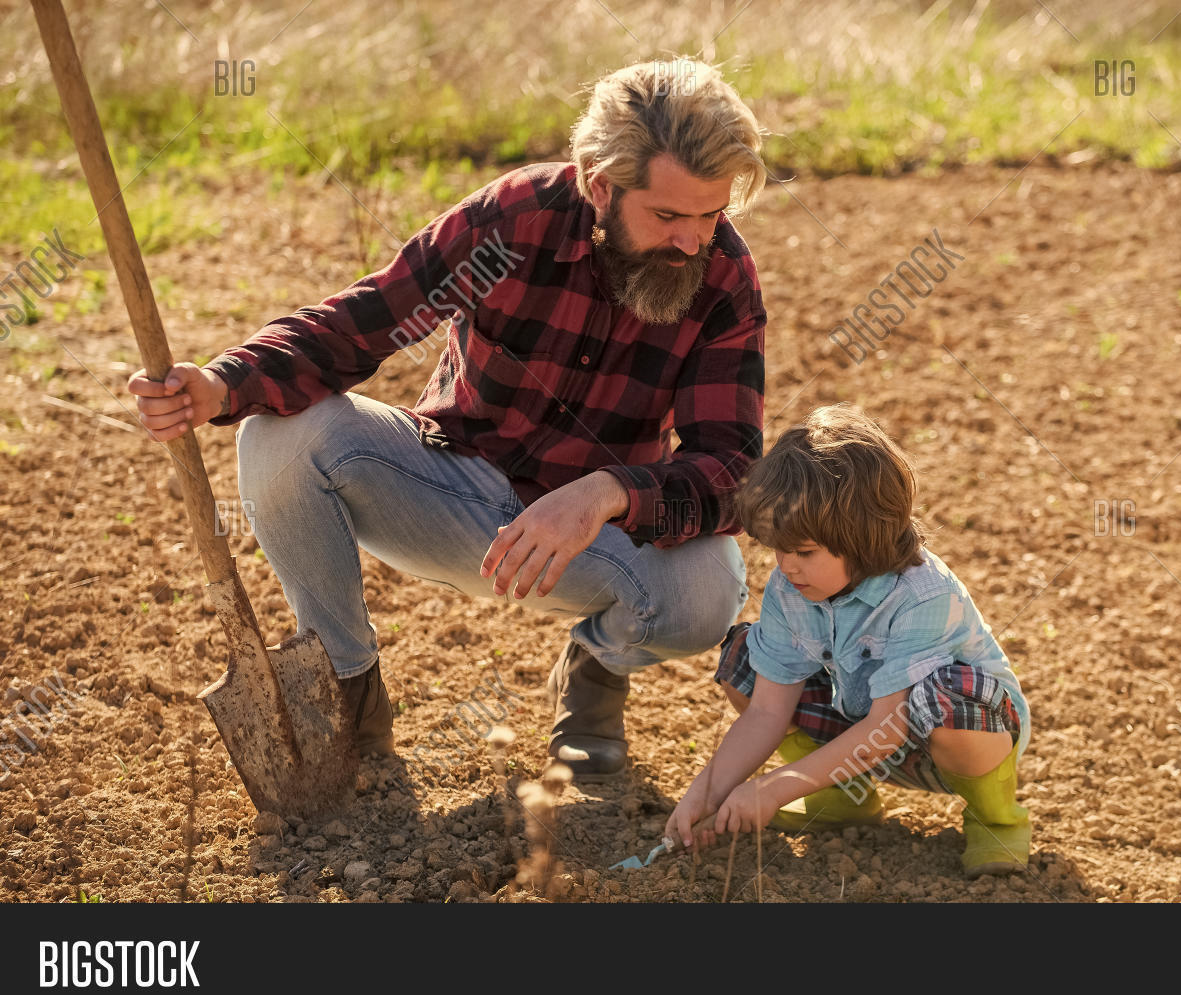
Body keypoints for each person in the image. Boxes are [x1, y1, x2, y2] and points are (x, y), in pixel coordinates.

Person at [127, 59, 768, 773]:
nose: (693, 241)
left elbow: (730, 468)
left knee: (711, 586)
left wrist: (607, 492)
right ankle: (349, 694)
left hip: (585, 541)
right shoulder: (516, 220)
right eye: (669, 215)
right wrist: (222, 382)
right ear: (599, 184)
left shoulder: (722, 278)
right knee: (281, 434)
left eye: (712, 215)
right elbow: (366, 322)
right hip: (445, 489)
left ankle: (592, 679)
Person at [664, 405, 1033, 876]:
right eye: (778, 548)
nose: (786, 565)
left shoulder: (922, 595)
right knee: (745, 660)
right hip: (860, 728)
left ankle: (997, 819)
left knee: (947, 698)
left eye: (804, 552)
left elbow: (888, 728)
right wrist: (705, 794)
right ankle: (839, 798)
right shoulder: (791, 587)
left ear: (862, 537)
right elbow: (767, 712)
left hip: (952, 741)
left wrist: (774, 788)